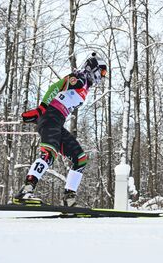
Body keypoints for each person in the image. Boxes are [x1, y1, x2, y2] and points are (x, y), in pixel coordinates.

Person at [13, 52, 108, 207]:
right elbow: (55, 87)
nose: (102, 76)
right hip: (50, 118)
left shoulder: (85, 87)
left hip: (57, 122)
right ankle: (26, 190)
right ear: (93, 67)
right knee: (49, 153)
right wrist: (41, 109)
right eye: (102, 71)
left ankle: (69, 198)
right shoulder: (79, 78)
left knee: (80, 158)